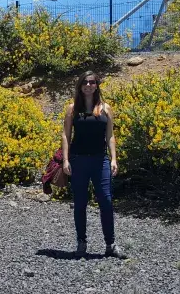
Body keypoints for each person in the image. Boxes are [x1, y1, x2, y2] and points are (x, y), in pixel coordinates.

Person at [61, 71, 125, 259]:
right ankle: (81, 242)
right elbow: (66, 135)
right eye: (85, 82)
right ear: (80, 86)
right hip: (78, 160)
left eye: (92, 82)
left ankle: (110, 244)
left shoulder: (106, 108)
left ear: (97, 85)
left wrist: (113, 158)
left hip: (100, 160)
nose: (88, 85)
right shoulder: (72, 109)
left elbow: (110, 135)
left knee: (105, 200)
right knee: (80, 202)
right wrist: (65, 159)